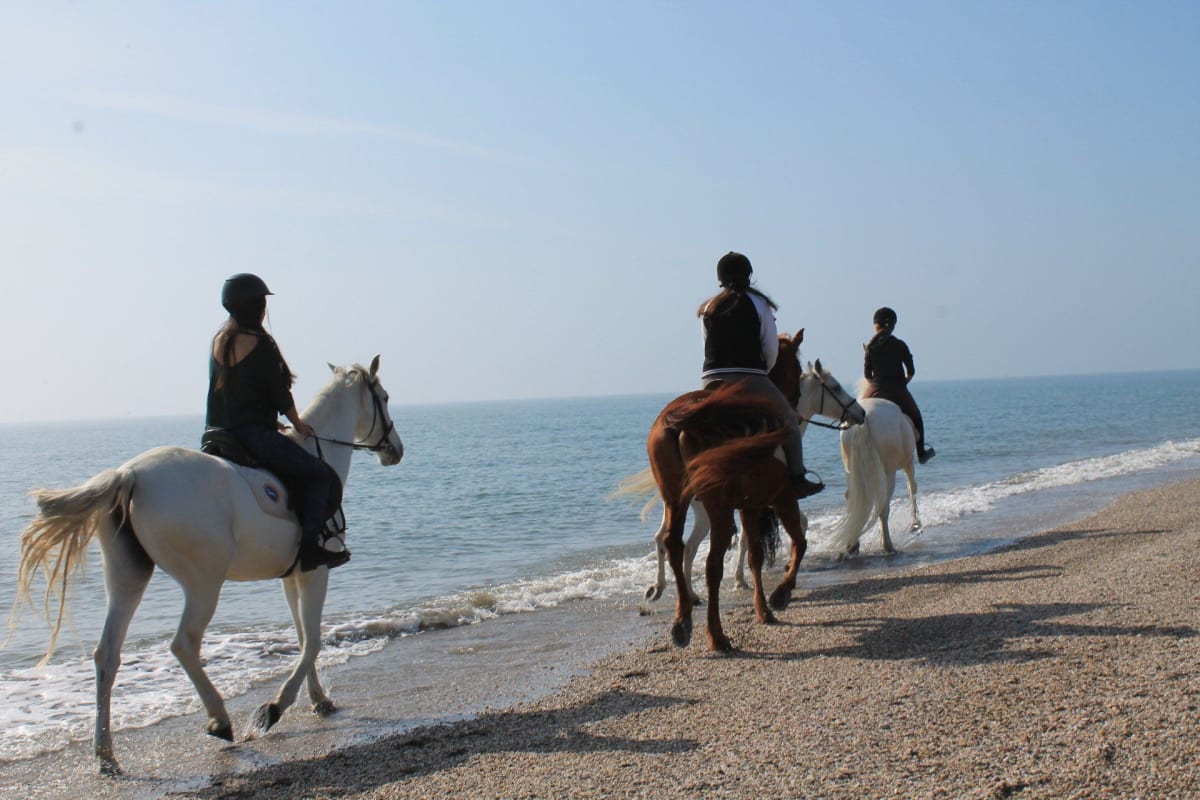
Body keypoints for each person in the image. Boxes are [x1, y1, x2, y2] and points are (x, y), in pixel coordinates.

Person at [204, 273, 349, 571]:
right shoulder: (260, 342)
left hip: (217, 435)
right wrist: (297, 423)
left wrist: (267, 421)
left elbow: (236, 393)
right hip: (253, 436)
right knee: (321, 477)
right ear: (257, 306)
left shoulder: (218, 341)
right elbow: (279, 392)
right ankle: (310, 549)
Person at [698, 251, 824, 498]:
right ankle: (798, 478)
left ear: (720, 278)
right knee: (789, 418)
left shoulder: (708, 307)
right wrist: (762, 373)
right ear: (749, 275)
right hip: (749, 375)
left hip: (711, 378)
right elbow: (770, 347)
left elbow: (706, 344)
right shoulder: (759, 304)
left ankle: (700, 480)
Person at [862, 306, 936, 464]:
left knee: (856, 416)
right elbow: (911, 372)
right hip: (897, 389)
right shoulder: (900, 345)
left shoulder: (869, 348)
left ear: (875, 325)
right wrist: (902, 384)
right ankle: (921, 453)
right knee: (917, 418)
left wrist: (877, 386)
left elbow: (867, 376)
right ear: (892, 325)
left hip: (875, 387)